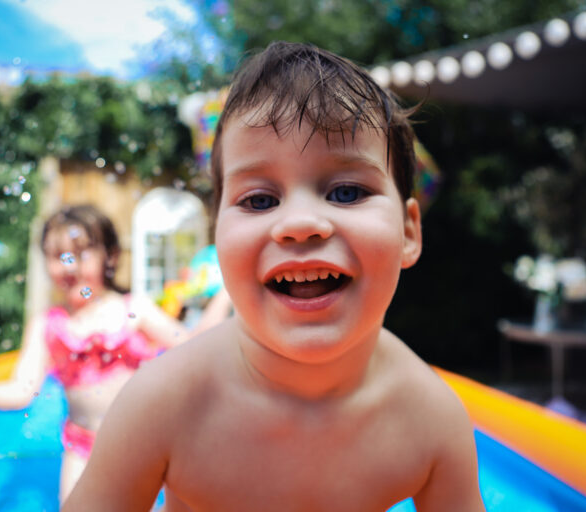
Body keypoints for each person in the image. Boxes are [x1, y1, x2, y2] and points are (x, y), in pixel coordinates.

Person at [63, 42, 484, 512]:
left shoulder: (430, 420)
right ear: (217, 235)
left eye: (346, 192)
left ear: (408, 231)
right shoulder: (165, 402)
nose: (300, 223)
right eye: (260, 200)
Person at [0, 204, 231, 501]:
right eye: (57, 256)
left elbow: (194, 345)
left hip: (143, 444)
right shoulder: (48, 326)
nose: (69, 266)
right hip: (83, 448)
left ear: (111, 256)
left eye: (81, 253)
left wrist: (228, 291)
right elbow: (20, 392)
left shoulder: (135, 311)